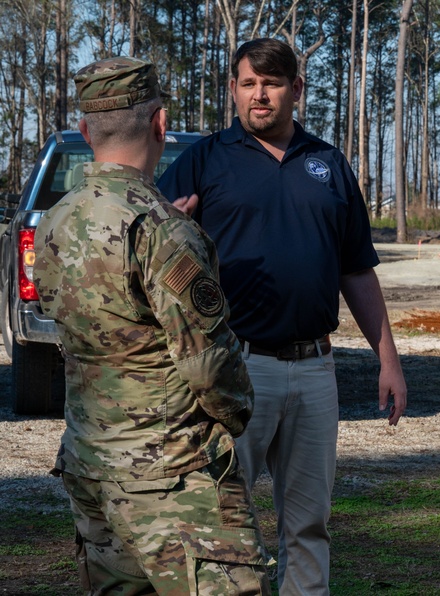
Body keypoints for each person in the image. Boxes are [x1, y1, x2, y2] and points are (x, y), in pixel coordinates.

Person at [158, 38, 408, 594]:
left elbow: (358, 271)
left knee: (309, 524)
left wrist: (387, 361)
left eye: (271, 83)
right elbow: (156, 253)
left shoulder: (328, 164)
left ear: (296, 89)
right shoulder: (203, 160)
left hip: (316, 368)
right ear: (232, 90)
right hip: (233, 367)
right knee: (220, 520)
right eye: (247, 84)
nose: (259, 95)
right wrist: (171, 230)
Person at [32, 57, 271, 594]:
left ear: (87, 131)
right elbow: (209, 366)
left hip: (91, 464)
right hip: (172, 475)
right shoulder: (162, 230)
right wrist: (236, 418)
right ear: (160, 123)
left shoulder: (55, 222)